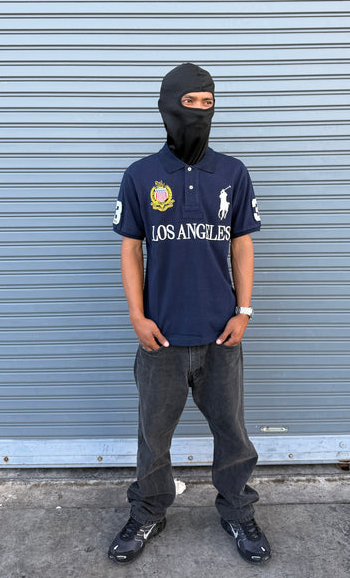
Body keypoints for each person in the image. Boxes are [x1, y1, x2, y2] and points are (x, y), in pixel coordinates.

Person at [109, 63, 271, 565]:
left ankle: (238, 511)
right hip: (161, 337)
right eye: (190, 102)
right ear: (168, 106)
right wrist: (137, 316)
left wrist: (244, 311)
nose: (200, 111)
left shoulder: (232, 173)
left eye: (208, 103)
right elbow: (130, 249)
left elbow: (241, 245)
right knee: (153, 437)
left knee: (233, 435)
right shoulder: (141, 175)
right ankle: (148, 510)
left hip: (221, 334)